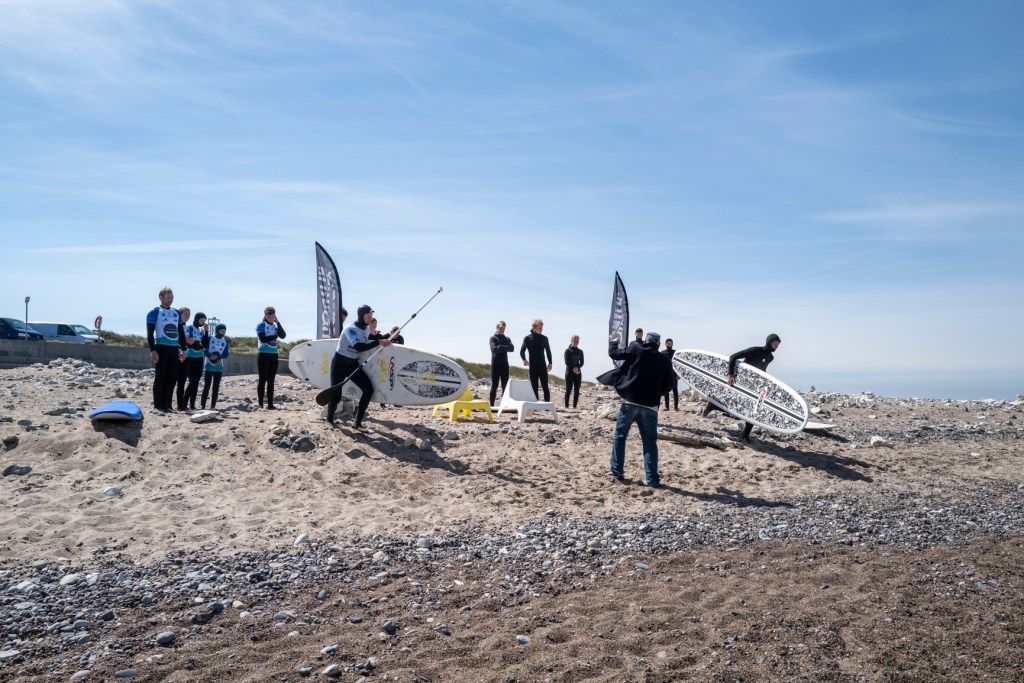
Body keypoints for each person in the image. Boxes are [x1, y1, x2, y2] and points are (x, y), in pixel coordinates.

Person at [600, 332, 676, 487]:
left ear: (646, 341)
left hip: (630, 402)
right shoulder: (665, 360)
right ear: (659, 344)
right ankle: (652, 480)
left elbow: (614, 354)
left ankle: (617, 471)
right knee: (650, 443)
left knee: (620, 437)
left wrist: (614, 342)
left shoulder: (636, 348)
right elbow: (670, 384)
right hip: (650, 407)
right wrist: (656, 393)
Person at [701, 333, 782, 441]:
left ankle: (745, 435)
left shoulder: (770, 357)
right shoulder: (755, 350)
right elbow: (733, 357)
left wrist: (765, 383)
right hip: (740, 382)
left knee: (754, 409)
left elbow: (762, 370)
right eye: (775, 343)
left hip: (753, 385)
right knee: (736, 407)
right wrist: (730, 374)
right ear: (769, 342)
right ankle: (713, 405)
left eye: (778, 344)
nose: (777, 346)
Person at [326, 304, 391, 429]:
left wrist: (384, 338)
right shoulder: (350, 328)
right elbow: (359, 347)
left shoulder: (366, 329)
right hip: (339, 363)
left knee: (368, 389)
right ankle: (329, 419)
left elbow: (370, 339)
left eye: (371, 315)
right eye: (368, 315)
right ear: (361, 315)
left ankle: (357, 422)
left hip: (353, 364)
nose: (370, 317)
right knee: (336, 395)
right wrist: (378, 342)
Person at [146, 287, 186, 412]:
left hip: (174, 348)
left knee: (170, 377)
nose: (171, 299)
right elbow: (150, 333)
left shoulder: (176, 312)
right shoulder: (154, 312)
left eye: (172, 297)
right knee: (160, 376)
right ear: (161, 297)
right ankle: (157, 406)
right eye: (168, 297)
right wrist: (153, 350)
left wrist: (184, 350)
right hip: (161, 347)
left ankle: (166, 405)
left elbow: (181, 332)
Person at [256, 306, 287, 410]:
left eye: (273, 315)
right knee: (262, 379)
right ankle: (260, 404)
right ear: (265, 315)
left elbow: (283, 335)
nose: (271, 317)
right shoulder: (261, 324)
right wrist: (274, 336)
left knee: (271, 380)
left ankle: (270, 404)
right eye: (269, 316)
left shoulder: (275, 325)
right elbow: (263, 339)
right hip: (263, 354)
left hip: (274, 355)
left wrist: (278, 322)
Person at [520, 319, 553, 401]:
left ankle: (547, 404)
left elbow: (548, 351)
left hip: (542, 365)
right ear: (534, 327)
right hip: (533, 366)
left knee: (545, 386)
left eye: (542, 328)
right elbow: (522, 351)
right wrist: (524, 359)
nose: (541, 329)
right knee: (534, 386)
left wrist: (550, 362)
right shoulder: (527, 338)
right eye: (539, 328)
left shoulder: (544, 338)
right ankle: (535, 404)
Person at [180, 311, 206, 410]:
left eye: (204, 320)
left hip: (199, 358)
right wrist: (200, 345)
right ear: (197, 319)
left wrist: (206, 332)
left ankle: (192, 405)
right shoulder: (190, 328)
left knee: (197, 382)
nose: (203, 322)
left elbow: (205, 344)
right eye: (201, 320)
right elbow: (191, 344)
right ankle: (183, 403)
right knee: (193, 381)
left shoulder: (201, 331)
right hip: (190, 357)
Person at [201, 323, 230, 410]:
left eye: (224, 330)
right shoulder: (210, 338)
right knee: (207, 385)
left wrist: (218, 356)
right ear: (217, 330)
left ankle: (213, 405)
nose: (223, 332)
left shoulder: (225, 341)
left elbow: (226, 355)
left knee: (216, 387)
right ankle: (203, 405)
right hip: (208, 366)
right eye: (221, 330)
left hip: (219, 367)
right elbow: (204, 350)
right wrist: (209, 355)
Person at [488, 321, 515, 406]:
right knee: (494, 385)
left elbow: (512, 348)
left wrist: (500, 347)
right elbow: (494, 349)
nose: (502, 330)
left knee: (505, 386)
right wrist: (505, 348)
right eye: (500, 328)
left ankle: (504, 405)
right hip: (495, 365)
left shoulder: (507, 339)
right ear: (497, 328)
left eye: (504, 328)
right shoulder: (493, 338)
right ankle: (491, 405)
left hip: (505, 365)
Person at [563, 335, 584, 409]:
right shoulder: (567, 351)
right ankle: (566, 406)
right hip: (569, 372)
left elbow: (582, 362)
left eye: (577, 341)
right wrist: (573, 368)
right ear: (571, 341)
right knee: (568, 389)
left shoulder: (580, 351)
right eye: (575, 340)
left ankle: (575, 406)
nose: (576, 342)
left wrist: (577, 368)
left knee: (577, 389)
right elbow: (566, 362)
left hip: (578, 372)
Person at [661, 338, 680, 411]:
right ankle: (667, 407)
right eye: (668, 343)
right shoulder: (662, 353)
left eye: (670, 343)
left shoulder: (675, 353)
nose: (669, 344)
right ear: (665, 344)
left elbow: (678, 365)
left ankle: (676, 407)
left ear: (672, 344)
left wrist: (678, 374)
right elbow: (661, 365)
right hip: (666, 375)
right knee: (666, 391)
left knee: (675, 390)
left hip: (674, 374)